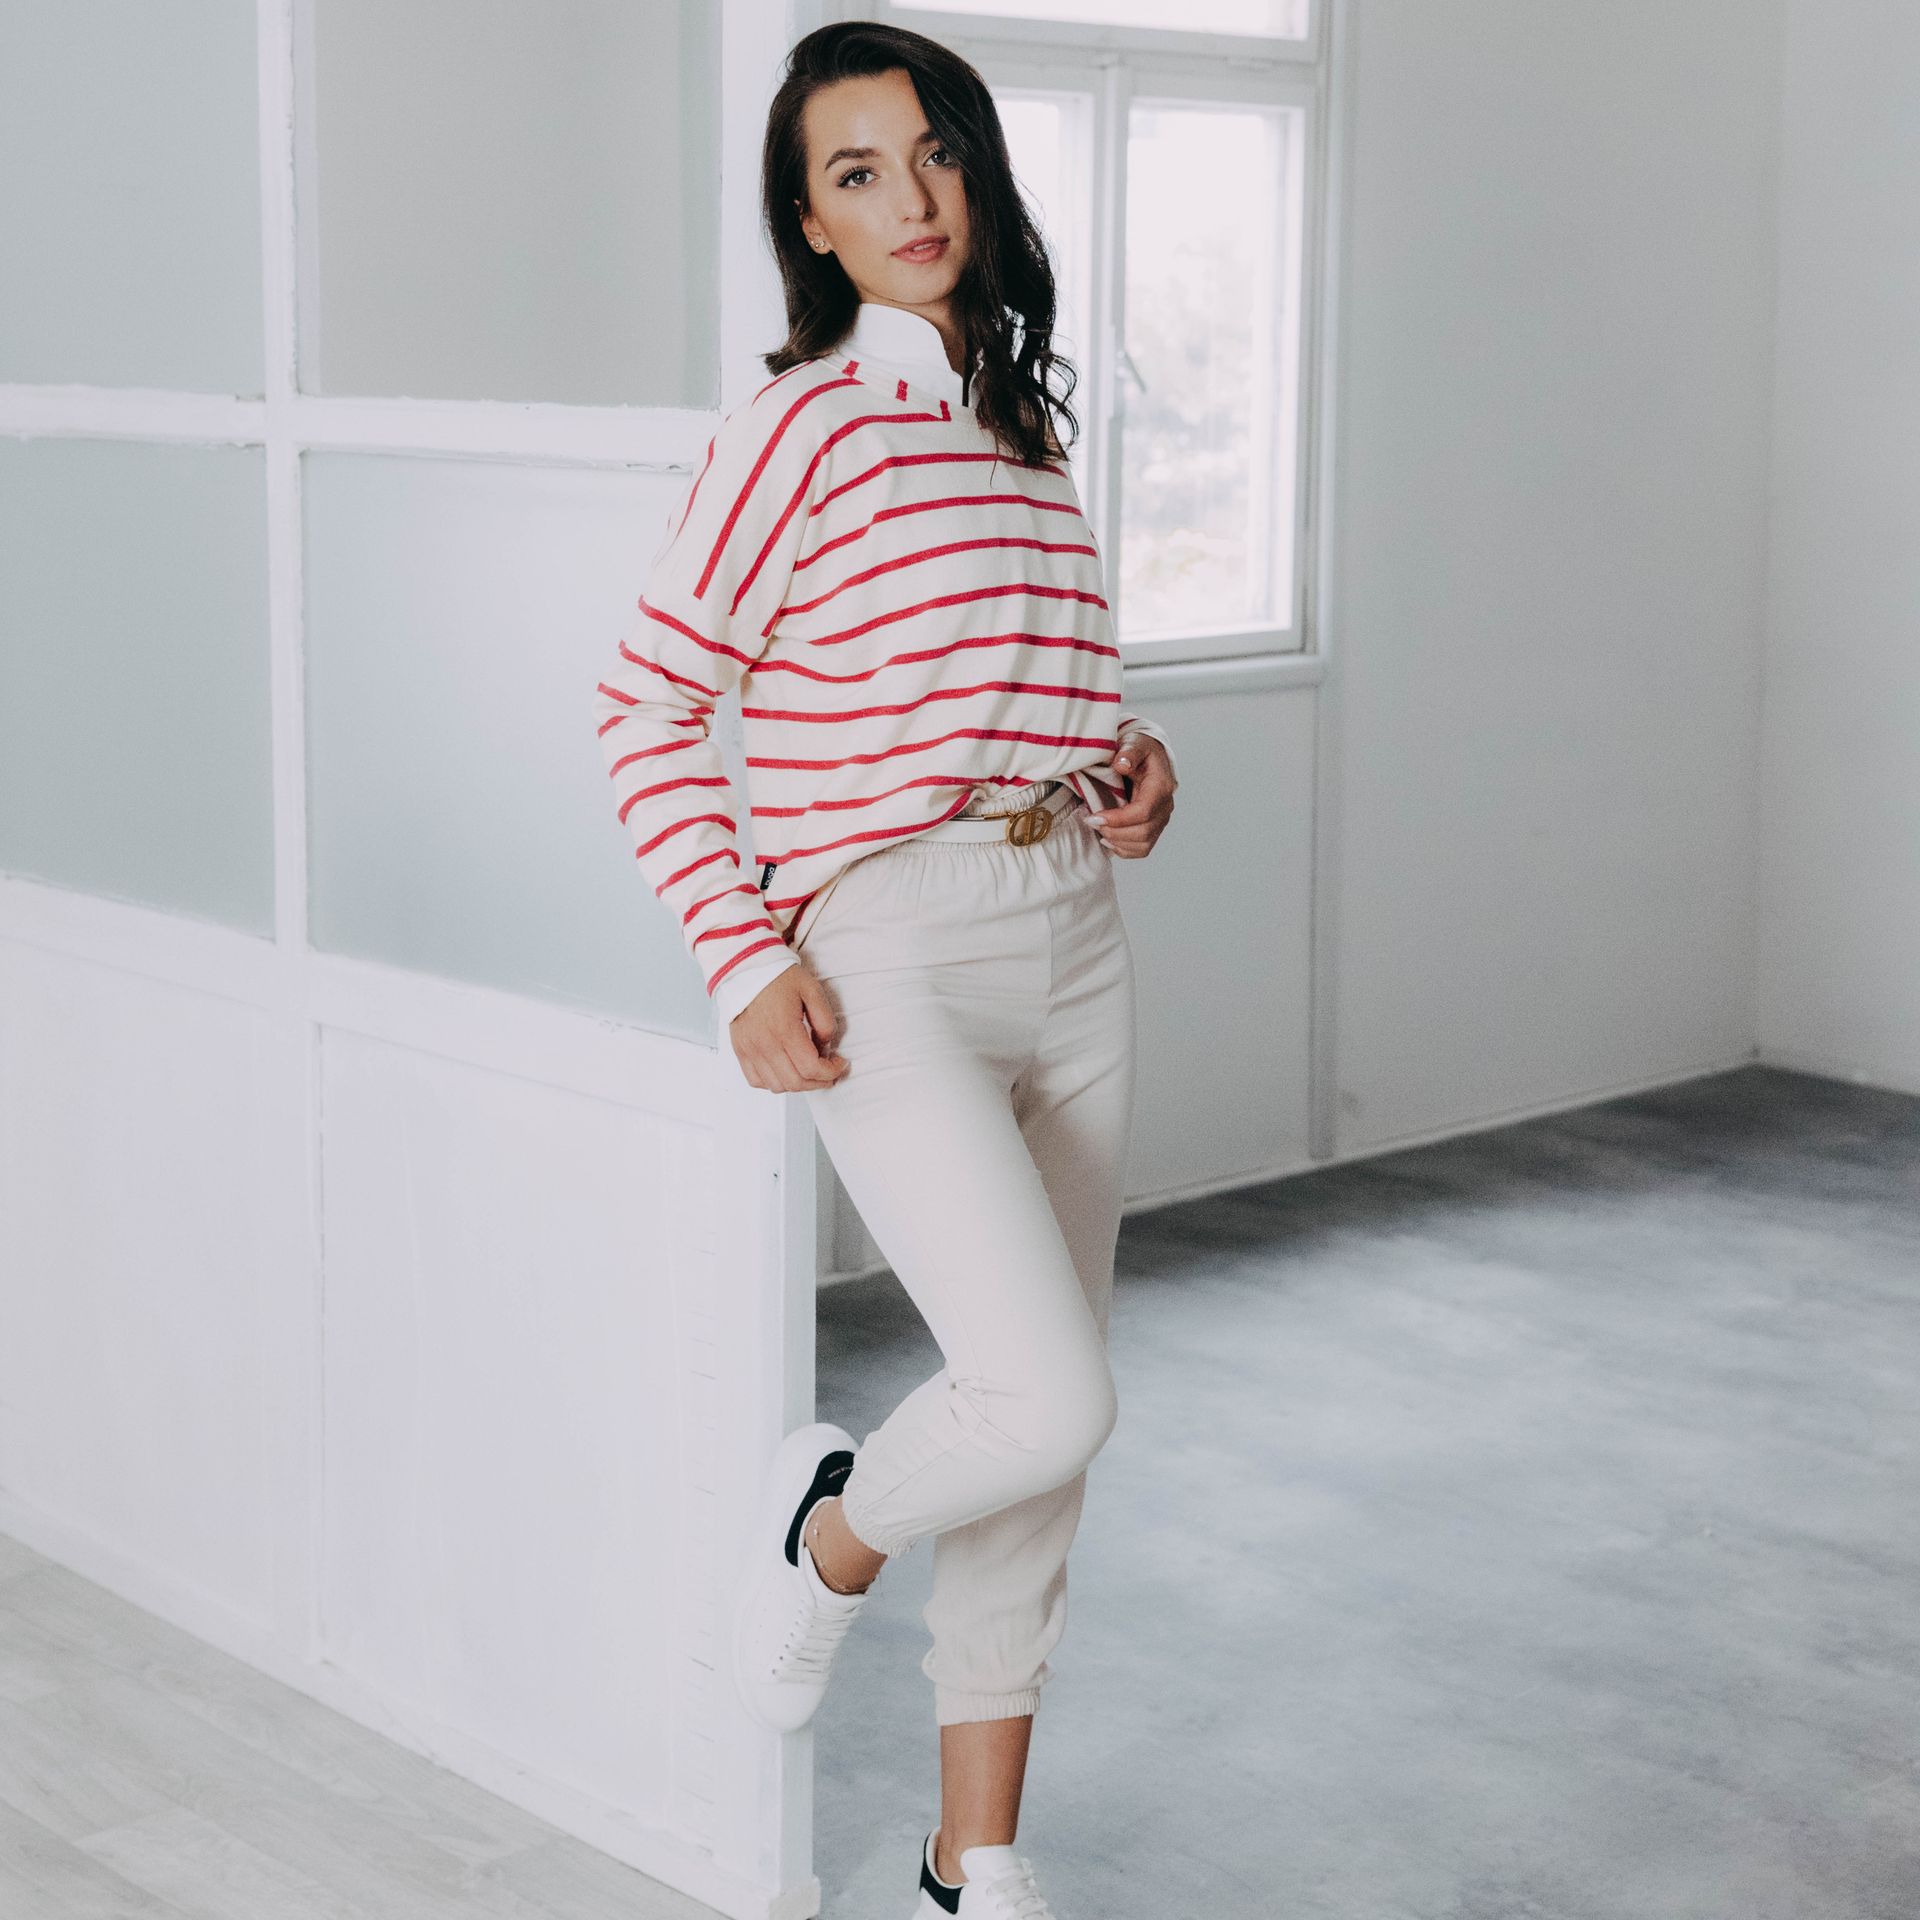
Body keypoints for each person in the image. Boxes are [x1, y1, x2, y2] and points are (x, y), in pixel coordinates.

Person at [591, 20, 1177, 1918]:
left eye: (934, 153)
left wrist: (1128, 765)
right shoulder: (803, 425)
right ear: (811, 224)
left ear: (978, 170)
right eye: (858, 172)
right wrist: (737, 954)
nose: (911, 198)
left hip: (1071, 925)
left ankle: (971, 1861)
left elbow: (1021, 694)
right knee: (1043, 1393)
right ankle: (828, 1540)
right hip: (889, 949)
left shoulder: (1024, 429)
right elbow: (645, 704)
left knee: (1045, 1440)